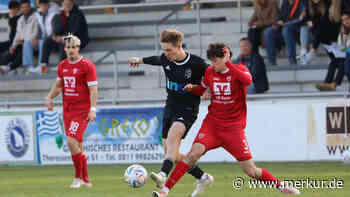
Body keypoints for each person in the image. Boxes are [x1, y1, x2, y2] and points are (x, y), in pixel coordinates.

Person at [152, 42, 300, 197]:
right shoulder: (209, 72)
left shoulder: (240, 70)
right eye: (211, 61)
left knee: (251, 171)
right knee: (191, 156)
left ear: (225, 58)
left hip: (233, 129)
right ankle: (165, 191)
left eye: (216, 61)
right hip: (212, 125)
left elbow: (248, 81)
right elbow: (203, 88)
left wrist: (228, 62)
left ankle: (281, 186)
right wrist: (194, 89)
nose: (212, 65)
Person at [129, 29, 213, 196]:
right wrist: (139, 60)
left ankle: (162, 175)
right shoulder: (166, 59)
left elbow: (213, 74)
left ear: (179, 46)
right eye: (164, 50)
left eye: (169, 50)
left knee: (174, 138)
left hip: (188, 109)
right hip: (170, 107)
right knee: (171, 153)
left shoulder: (196, 63)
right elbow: (155, 60)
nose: (166, 54)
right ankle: (202, 176)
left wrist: (207, 90)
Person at [45, 34, 97, 188]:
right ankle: (86, 179)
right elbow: (59, 85)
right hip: (67, 111)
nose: (71, 50)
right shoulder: (62, 66)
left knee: (70, 141)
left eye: (74, 47)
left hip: (82, 111)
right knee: (78, 145)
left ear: (78, 48)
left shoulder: (87, 65)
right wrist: (49, 97)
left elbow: (93, 90)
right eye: (68, 47)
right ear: (65, 48)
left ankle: (77, 178)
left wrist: (93, 109)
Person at [41, 0, 89, 68]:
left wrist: (63, 38)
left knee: (65, 42)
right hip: (64, 39)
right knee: (47, 41)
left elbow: (76, 31)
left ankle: (62, 67)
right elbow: (58, 29)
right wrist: (54, 36)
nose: (67, 6)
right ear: (62, 5)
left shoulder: (78, 15)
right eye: (65, 4)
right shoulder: (61, 15)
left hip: (78, 39)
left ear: (72, 4)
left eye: (69, 4)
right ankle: (43, 66)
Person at [264, 0, 309, 65]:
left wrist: (286, 24)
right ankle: (271, 62)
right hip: (284, 28)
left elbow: (301, 19)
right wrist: (278, 21)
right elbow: (281, 16)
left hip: (297, 30)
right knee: (269, 32)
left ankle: (292, 61)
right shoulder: (285, 2)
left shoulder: (302, 2)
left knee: (286, 30)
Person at [0, 0, 22, 75]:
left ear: (17, 9)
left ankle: (8, 67)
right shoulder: (11, 18)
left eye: (13, 9)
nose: (11, 11)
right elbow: (11, 34)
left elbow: (19, 34)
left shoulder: (20, 18)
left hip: (18, 42)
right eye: (10, 9)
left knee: (10, 52)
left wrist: (13, 46)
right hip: (12, 41)